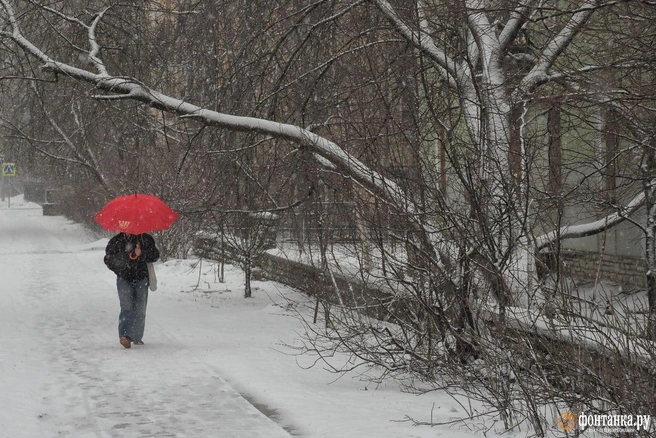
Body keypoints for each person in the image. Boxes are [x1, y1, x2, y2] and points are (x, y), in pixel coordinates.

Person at [104, 232, 160, 349]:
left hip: (141, 279)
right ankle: (124, 336)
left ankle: (137, 336)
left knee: (140, 309)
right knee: (126, 307)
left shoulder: (145, 239)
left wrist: (142, 253)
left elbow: (155, 255)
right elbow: (108, 259)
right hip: (124, 279)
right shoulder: (117, 241)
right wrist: (122, 266)